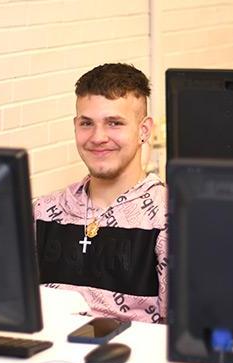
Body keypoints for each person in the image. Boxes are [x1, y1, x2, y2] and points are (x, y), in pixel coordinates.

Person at [33, 63, 167, 323]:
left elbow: (183, 334)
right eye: (86, 123)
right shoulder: (44, 212)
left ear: (144, 130)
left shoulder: (168, 218)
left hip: (134, 360)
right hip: (49, 359)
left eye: (114, 123)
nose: (98, 137)